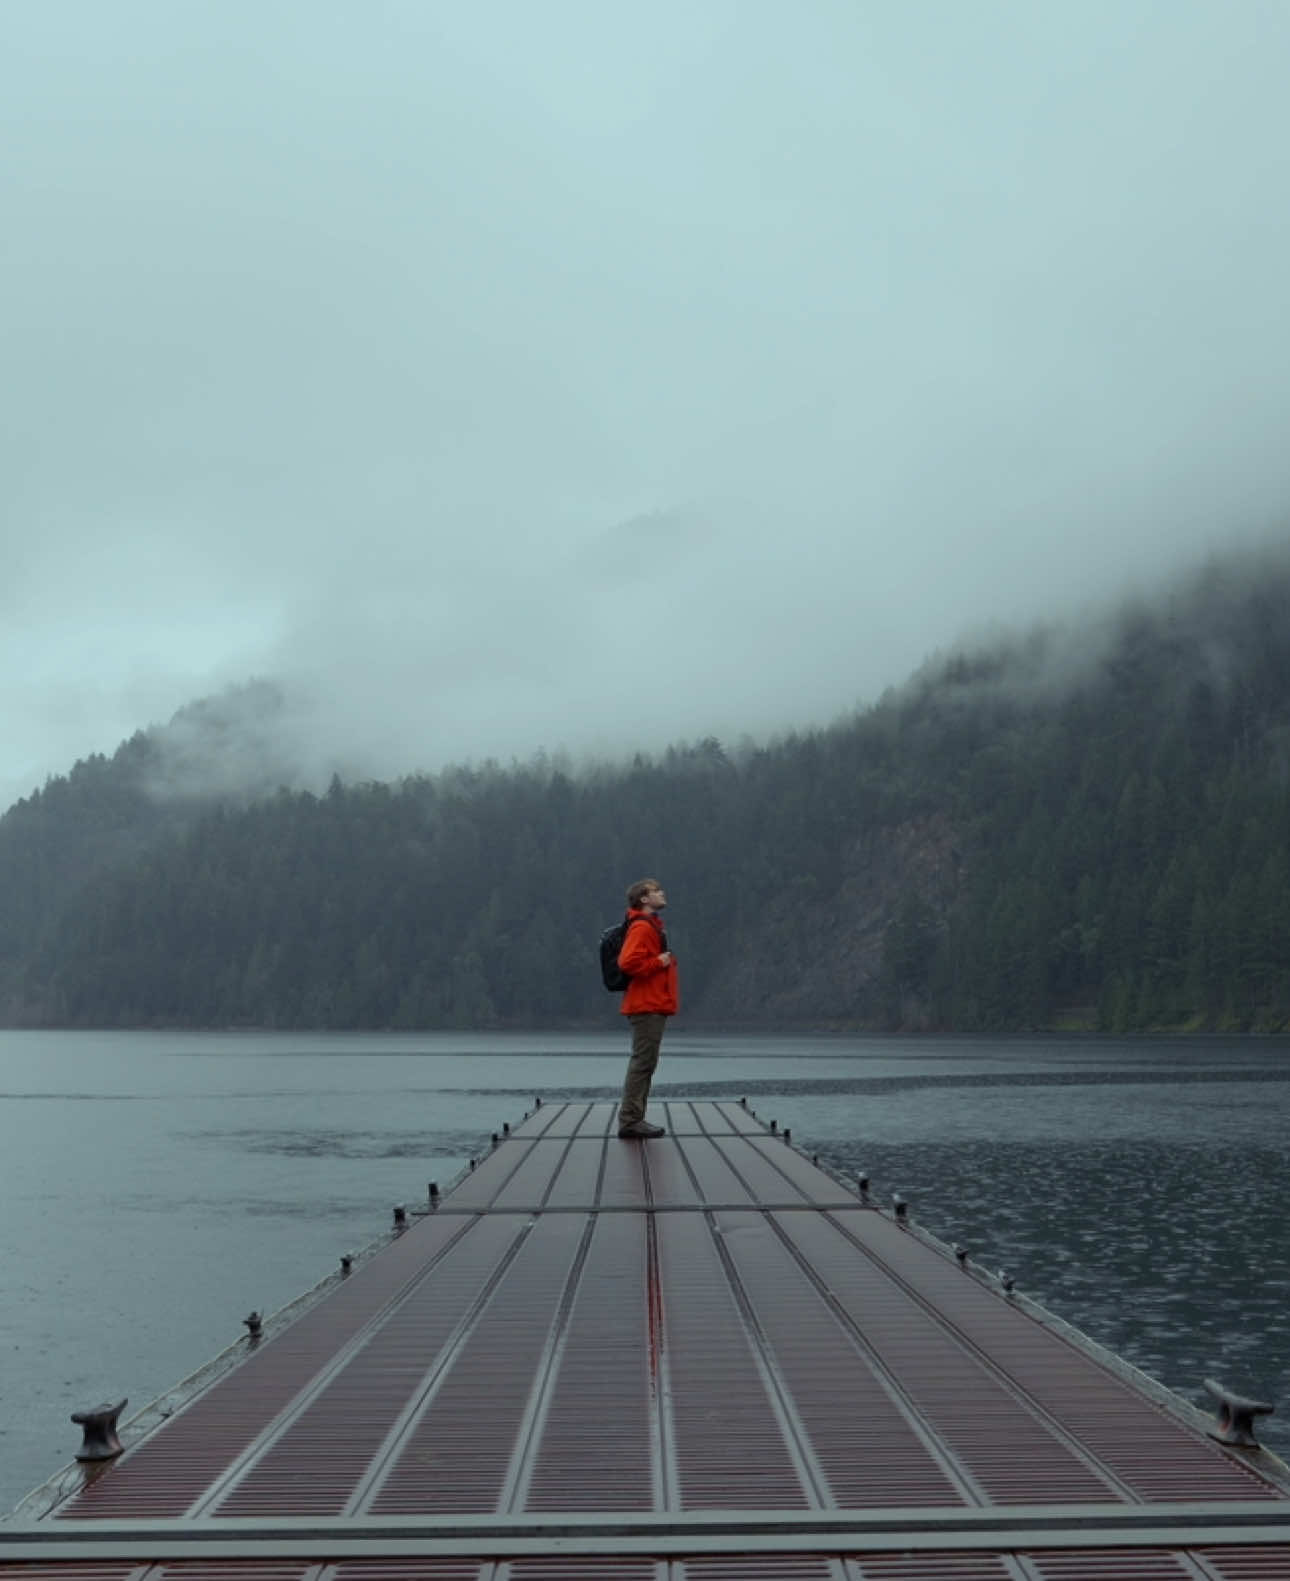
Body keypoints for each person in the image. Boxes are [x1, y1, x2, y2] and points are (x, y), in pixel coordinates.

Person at [616, 877, 679, 1139]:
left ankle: (634, 1118)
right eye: (656, 891)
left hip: (652, 1004)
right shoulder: (642, 927)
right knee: (643, 1063)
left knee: (646, 1063)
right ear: (644, 899)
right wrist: (658, 962)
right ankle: (630, 1120)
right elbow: (627, 962)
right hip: (646, 1005)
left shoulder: (649, 926)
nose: (662, 894)